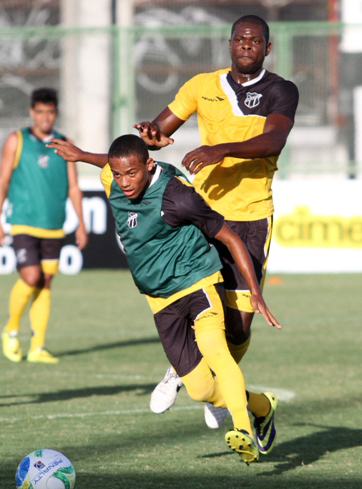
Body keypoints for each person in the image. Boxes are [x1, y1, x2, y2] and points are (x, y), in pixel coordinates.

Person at [49, 134, 280, 465]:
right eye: (119, 175)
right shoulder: (113, 179)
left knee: (216, 350)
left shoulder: (178, 196)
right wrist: (83, 155)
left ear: (150, 165)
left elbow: (228, 237)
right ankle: (261, 406)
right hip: (159, 300)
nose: (125, 182)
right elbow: (114, 162)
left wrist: (255, 290)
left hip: (198, 281)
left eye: (132, 173)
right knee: (200, 390)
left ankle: (243, 429)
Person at [134, 14, 298, 450]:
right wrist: (152, 135)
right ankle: (204, 381)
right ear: (229, 45)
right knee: (200, 304)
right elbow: (160, 129)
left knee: (240, 326)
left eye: (255, 40)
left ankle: (210, 378)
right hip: (202, 216)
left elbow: (273, 141)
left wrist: (220, 148)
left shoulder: (281, 90)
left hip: (251, 217)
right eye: (240, 39)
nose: (247, 44)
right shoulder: (200, 86)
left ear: (268, 47)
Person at [0, 88, 88, 364]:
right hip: (23, 222)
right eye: (40, 111)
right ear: (32, 112)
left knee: (45, 283)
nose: (45, 117)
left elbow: (74, 186)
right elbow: (2, 182)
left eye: (50, 111)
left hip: (54, 225)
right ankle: (10, 329)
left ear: (55, 113)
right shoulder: (17, 140)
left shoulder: (64, 143)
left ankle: (37, 346)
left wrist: (81, 224)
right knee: (31, 277)